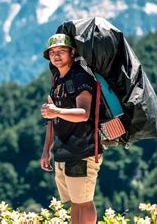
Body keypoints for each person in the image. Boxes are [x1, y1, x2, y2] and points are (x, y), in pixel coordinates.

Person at [40, 33, 103, 224]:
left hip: (82, 149)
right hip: (64, 150)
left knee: (83, 202)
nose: (56, 56)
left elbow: (84, 113)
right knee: (75, 203)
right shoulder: (57, 80)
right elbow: (52, 120)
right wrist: (46, 151)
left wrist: (56, 111)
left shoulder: (80, 78)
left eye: (61, 51)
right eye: (52, 53)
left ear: (72, 52)